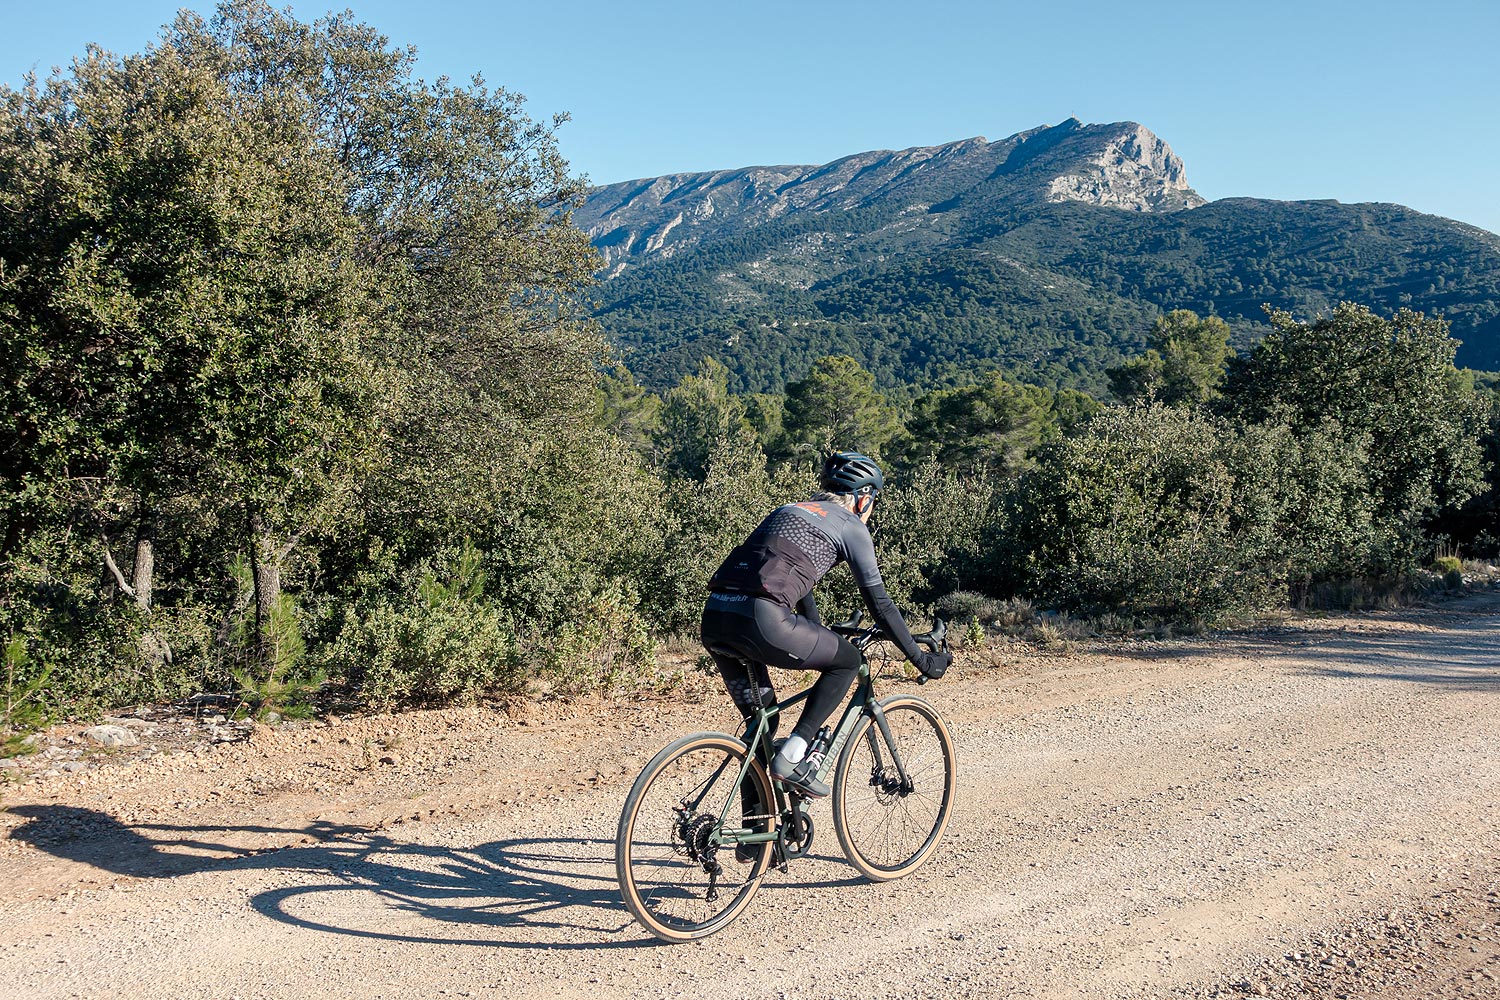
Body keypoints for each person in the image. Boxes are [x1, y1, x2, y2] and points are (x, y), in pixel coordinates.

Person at [700, 451, 952, 800]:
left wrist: (816, 629)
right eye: (874, 500)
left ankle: (755, 837)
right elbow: (880, 605)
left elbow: (782, 572)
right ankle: (793, 755)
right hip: (764, 619)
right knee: (848, 661)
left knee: (761, 726)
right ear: (864, 498)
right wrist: (921, 660)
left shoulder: (789, 510)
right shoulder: (851, 526)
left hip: (716, 616)